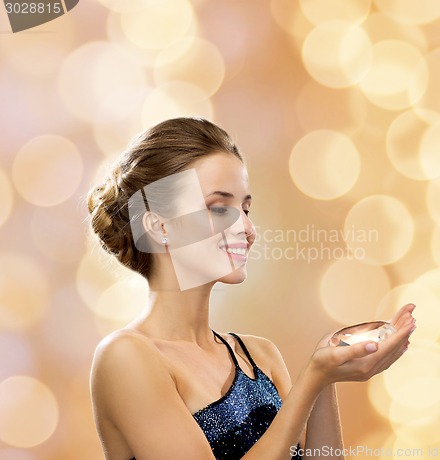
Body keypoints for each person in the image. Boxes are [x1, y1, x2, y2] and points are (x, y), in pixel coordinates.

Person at [87, 117, 416, 460]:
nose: (246, 228)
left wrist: (326, 381)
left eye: (245, 208)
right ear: (159, 226)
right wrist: (312, 379)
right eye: (219, 207)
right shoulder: (126, 357)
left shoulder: (259, 356)